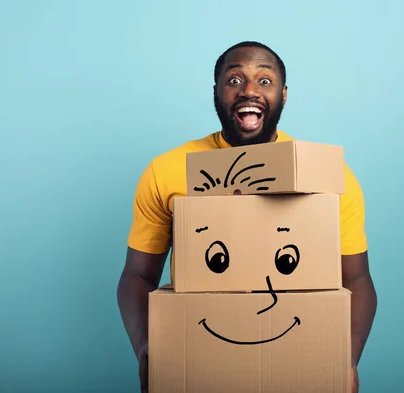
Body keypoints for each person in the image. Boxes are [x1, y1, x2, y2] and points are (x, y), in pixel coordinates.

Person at [117, 41, 377, 393]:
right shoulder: (167, 170)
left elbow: (357, 280)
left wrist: (345, 359)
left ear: (284, 95)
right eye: (235, 80)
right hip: (200, 364)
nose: (249, 90)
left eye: (264, 81)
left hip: (297, 363)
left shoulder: (327, 176)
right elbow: (137, 275)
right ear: (216, 92)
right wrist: (148, 350)